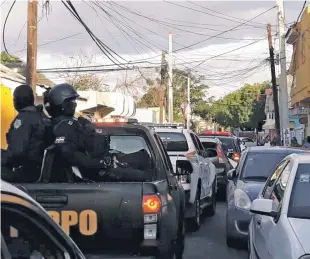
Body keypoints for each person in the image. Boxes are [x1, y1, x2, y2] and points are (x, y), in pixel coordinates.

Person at [47, 83, 112, 175]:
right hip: (85, 178)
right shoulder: (65, 126)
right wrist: (100, 163)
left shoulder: (70, 123)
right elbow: (70, 154)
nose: (75, 104)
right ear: (63, 103)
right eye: (72, 101)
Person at [1, 85, 52, 182]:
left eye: (14, 99)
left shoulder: (24, 119)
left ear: (18, 100)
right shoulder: (42, 116)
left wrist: (3, 158)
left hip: (26, 172)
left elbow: (17, 152)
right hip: (38, 170)